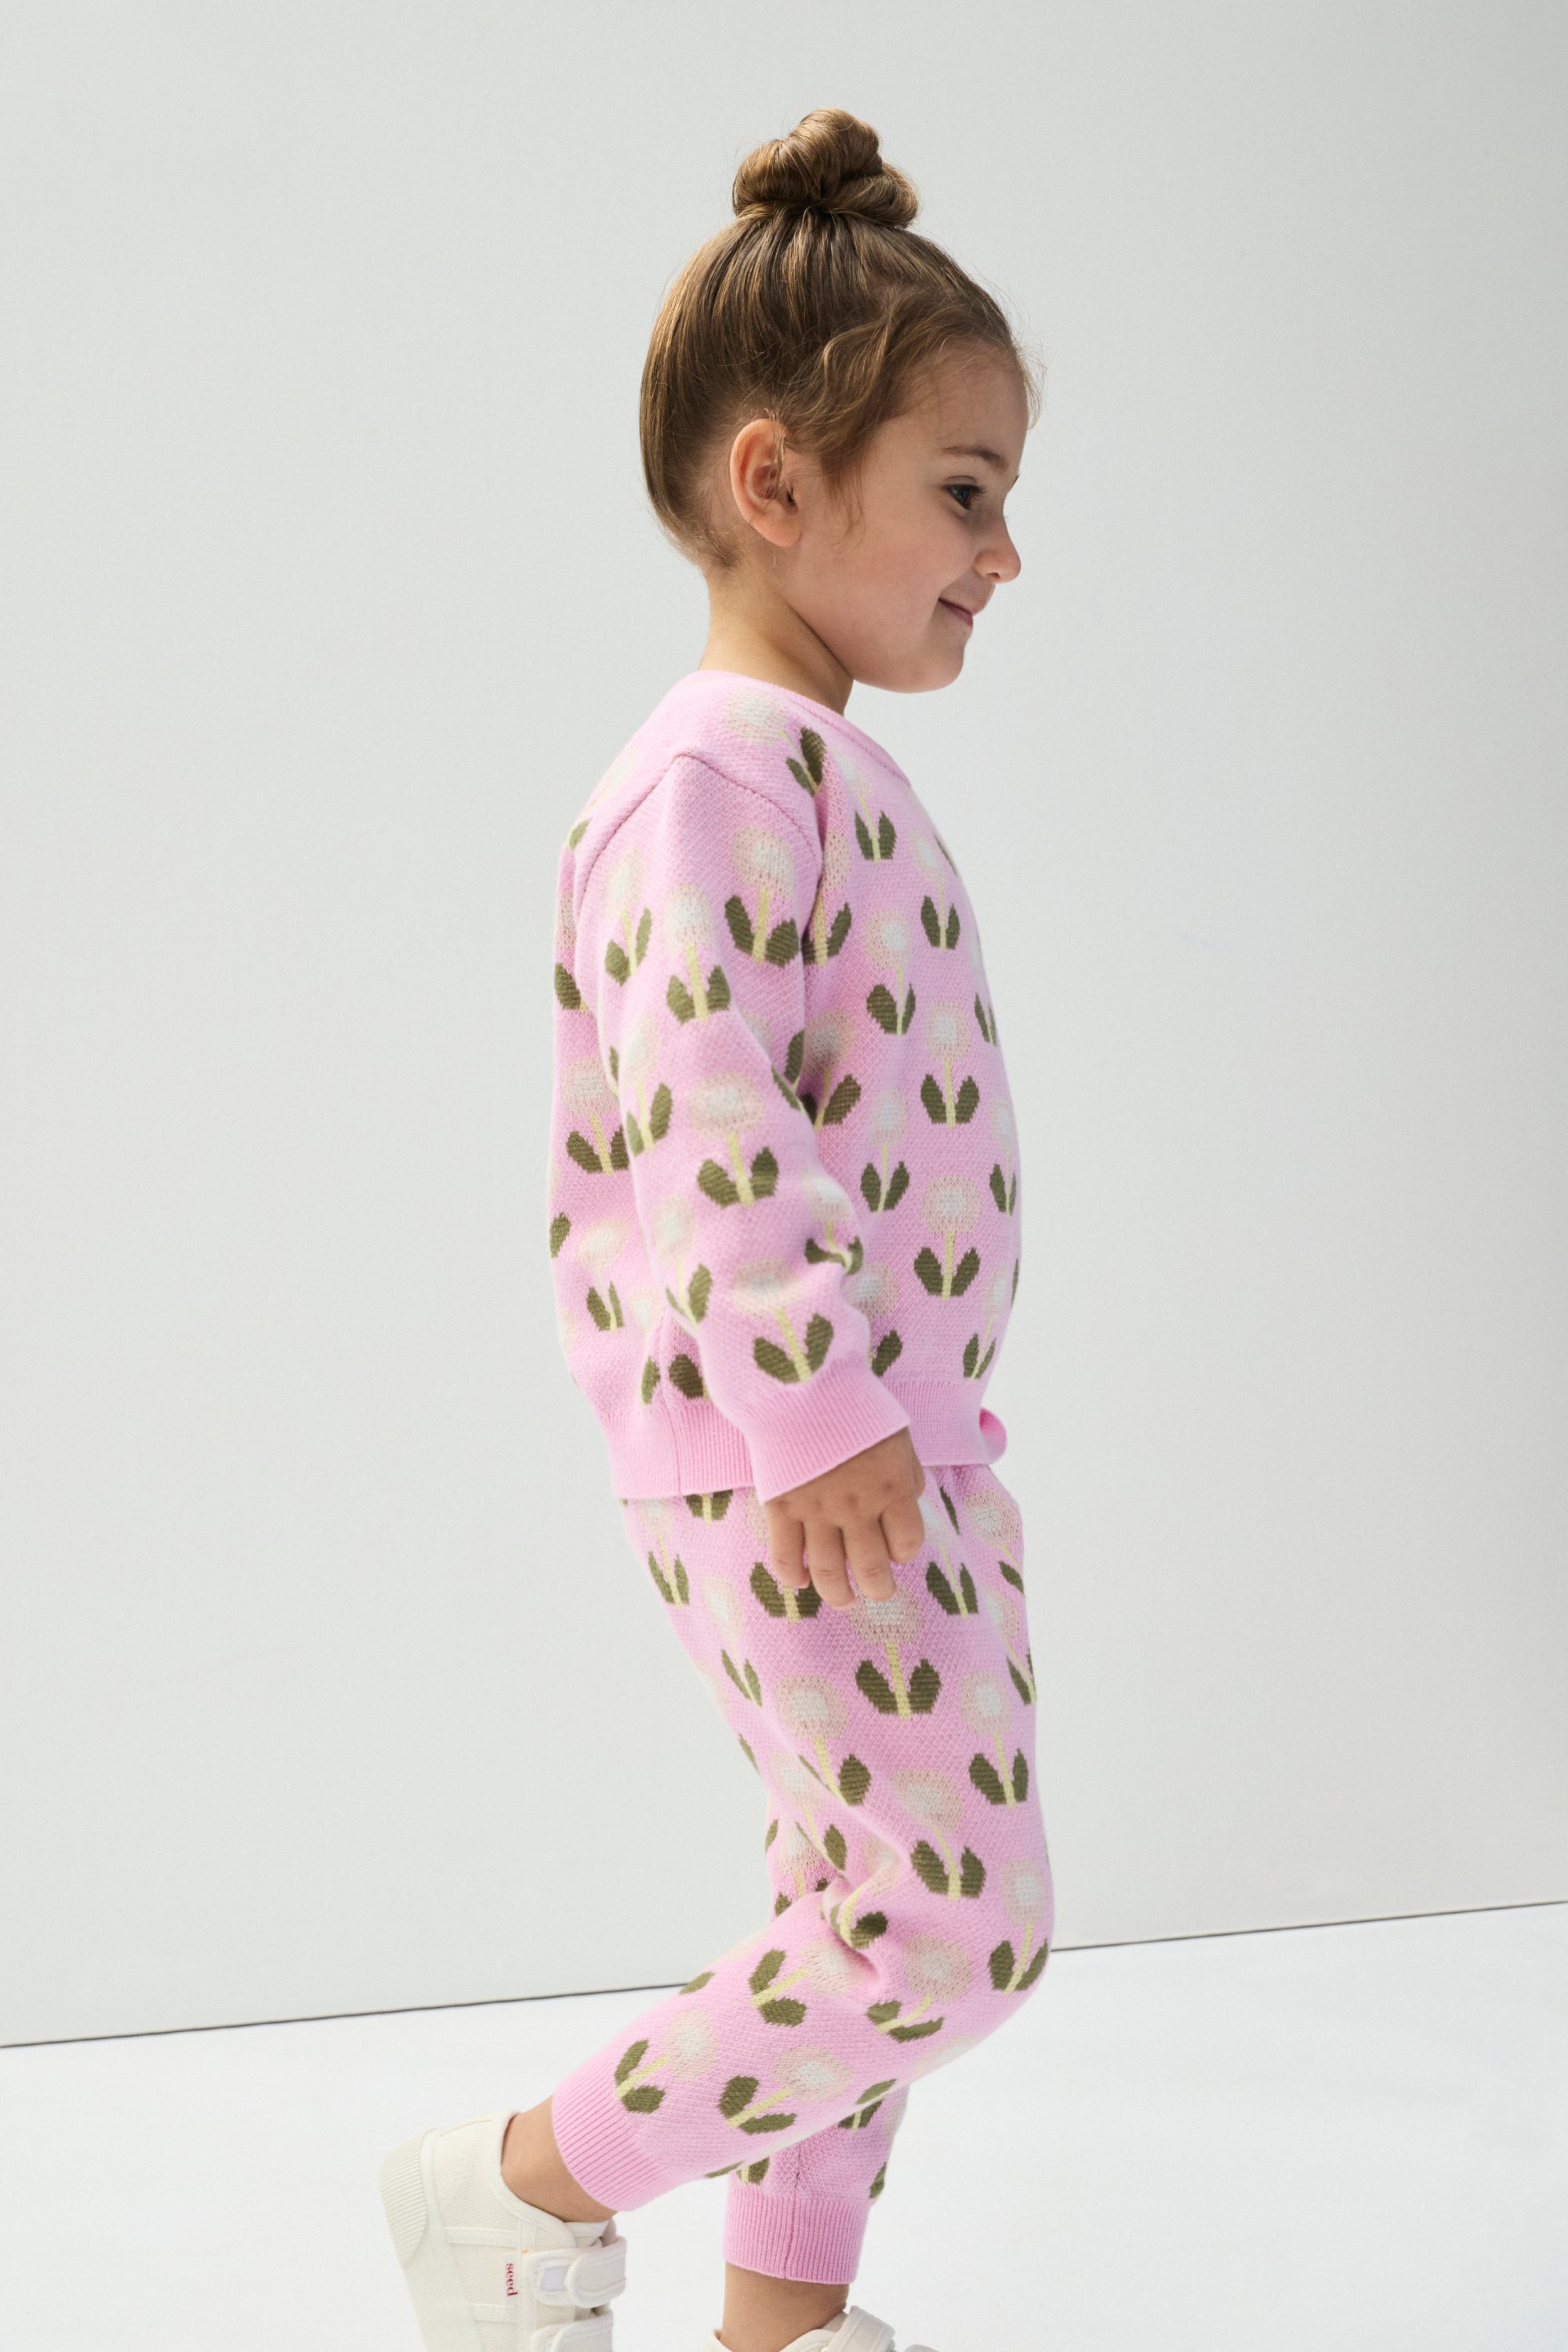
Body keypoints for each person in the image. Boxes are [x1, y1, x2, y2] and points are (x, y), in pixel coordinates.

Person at [380, 107, 1052, 2352]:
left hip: (889, 1438)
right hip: (803, 1449)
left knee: (856, 1900)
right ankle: (513, 2185)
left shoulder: (819, 766)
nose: (1005, 551)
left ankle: (782, 2324)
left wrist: (880, 1416)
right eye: (964, 490)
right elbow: (708, 1112)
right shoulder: (710, 773)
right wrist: (816, 1408)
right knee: (948, 1928)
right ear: (777, 481)